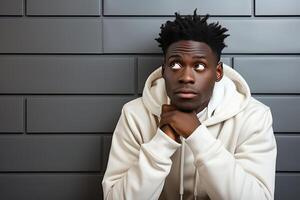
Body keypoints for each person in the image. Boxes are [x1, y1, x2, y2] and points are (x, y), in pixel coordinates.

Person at [102, 10, 277, 200]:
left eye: (199, 66)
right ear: (163, 70)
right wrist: (162, 142)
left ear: (218, 72)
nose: (186, 77)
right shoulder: (135, 114)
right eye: (176, 65)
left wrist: (197, 135)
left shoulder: (254, 116)